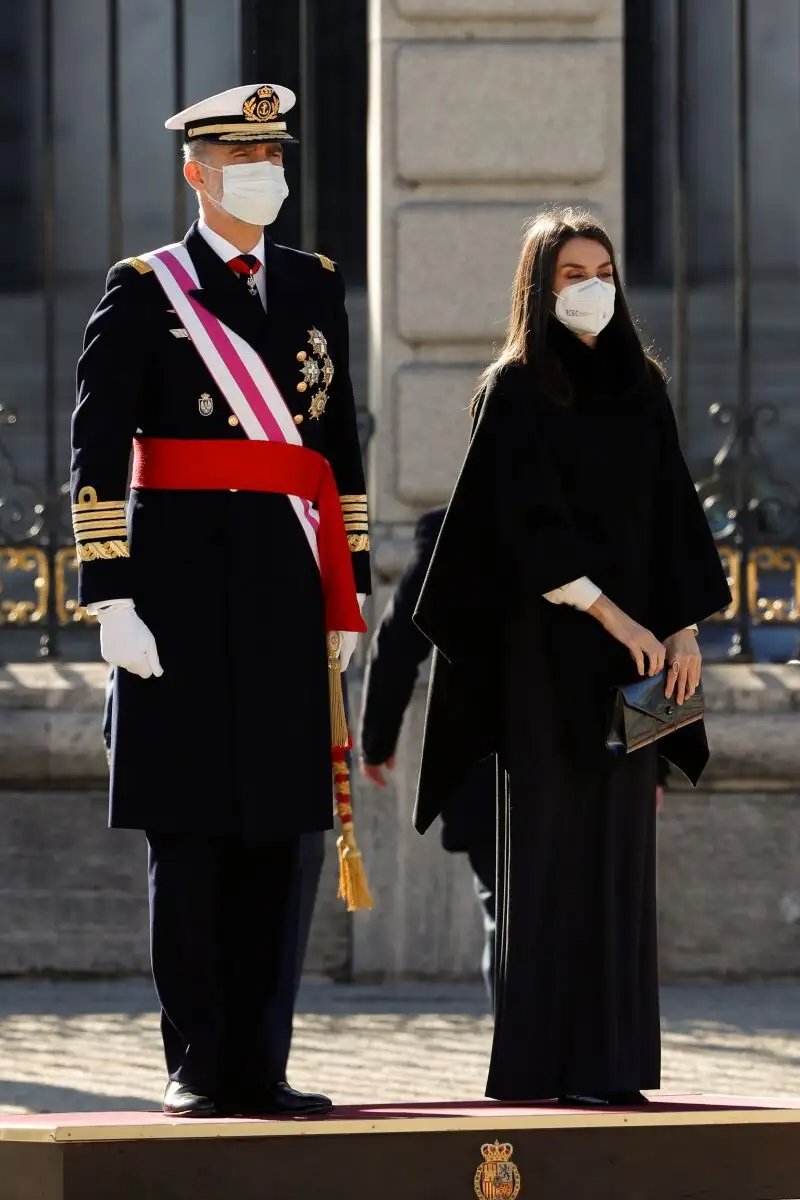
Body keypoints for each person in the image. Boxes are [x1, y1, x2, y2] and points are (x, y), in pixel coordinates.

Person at [70, 82, 371, 1118]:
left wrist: (347, 593)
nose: (264, 171)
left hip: (287, 590)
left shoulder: (312, 284)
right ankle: (198, 1060)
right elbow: (96, 454)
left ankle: (263, 1062)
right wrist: (110, 600)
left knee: (278, 841)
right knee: (190, 838)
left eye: (274, 154)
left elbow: (337, 453)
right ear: (195, 172)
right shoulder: (143, 289)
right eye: (241, 156)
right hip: (178, 597)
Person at [412, 207, 731, 1108]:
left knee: (623, 852)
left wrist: (683, 630)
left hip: (642, 667)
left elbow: (674, 518)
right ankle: (544, 1068)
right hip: (549, 660)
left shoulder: (644, 386)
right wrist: (612, 614)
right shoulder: (511, 390)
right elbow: (519, 528)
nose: (590, 287)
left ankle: (616, 1068)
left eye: (602, 269)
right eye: (569, 273)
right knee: (551, 854)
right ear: (538, 285)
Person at [101, 670, 325, 1085]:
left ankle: (262, 1070)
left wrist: (354, 604)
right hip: (179, 665)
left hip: (279, 658)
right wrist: (110, 606)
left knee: (272, 880)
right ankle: (195, 1069)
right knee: (186, 884)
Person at [358, 508, 497, 1006]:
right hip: (561, 764)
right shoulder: (599, 514)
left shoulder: (455, 527)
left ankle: (524, 1060)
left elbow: (397, 642)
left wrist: (378, 743)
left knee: (507, 914)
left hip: (495, 763)